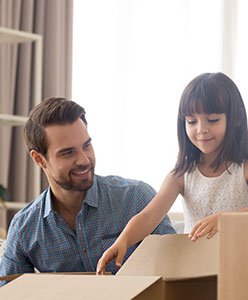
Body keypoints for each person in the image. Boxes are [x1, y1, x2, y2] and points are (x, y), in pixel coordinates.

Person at [96, 72, 248, 274]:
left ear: (236, 119)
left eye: (213, 120)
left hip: (245, 264)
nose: (201, 129)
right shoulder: (181, 174)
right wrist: (123, 240)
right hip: (198, 270)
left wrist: (224, 219)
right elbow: (149, 215)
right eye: (191, 122)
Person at [0, 98, 175, 286]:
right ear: (40, 160)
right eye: (68, 152)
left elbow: (176, 271)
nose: (83, 160)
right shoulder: (24, 228)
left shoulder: (137, 198)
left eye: (86, 146)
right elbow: (7, 291)